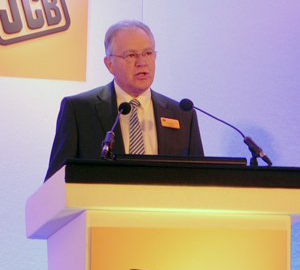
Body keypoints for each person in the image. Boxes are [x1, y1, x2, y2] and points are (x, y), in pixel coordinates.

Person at [44, 20, 204, 180]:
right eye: (131, 55)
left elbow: (200, 181)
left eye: (148, 53)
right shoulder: (79, 111)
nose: (142, 63)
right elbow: (55, 183)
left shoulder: (183, 115)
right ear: (110, 65)